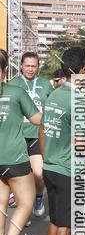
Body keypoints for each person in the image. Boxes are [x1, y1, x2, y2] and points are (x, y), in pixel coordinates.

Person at [40, 46, 85, 235]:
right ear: (82, 70)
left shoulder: (54, 94)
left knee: (55, 221)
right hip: (67, 169)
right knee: (66, 225)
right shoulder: (78, 99)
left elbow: (42, 129)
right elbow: (82, 141)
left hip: (50, 165)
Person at [0, 50, 42, 235]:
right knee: (26, 202)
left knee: (1, 203)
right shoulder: (15, 92)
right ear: (6, 70)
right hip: (14, 157)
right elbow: (37, 119)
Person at [10, 51, 53, 218]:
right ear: (21, 66)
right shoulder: (13, 84)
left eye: (33, 66)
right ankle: (23, 207)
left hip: (37, 135)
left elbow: (52, 107)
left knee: (38, 173)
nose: (30, 69)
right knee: (19, 175)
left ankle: (38, 198)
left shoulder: (45, 84)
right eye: (27, 65)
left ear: (38, 67)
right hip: (17, 136)